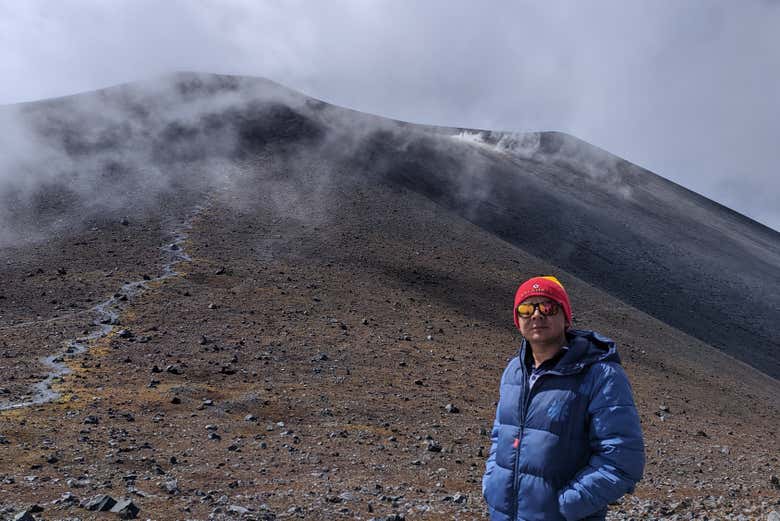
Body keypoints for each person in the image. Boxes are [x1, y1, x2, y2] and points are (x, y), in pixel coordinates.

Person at [482, 275, 645, 521]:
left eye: (548, 307)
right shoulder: (514, 371)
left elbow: (624, 459)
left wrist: (566, 506)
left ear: (565, 316)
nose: (536, 315)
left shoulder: (599, 374)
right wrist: (491, 481)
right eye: (526, 308)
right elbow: (501, 435)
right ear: (518, 320)